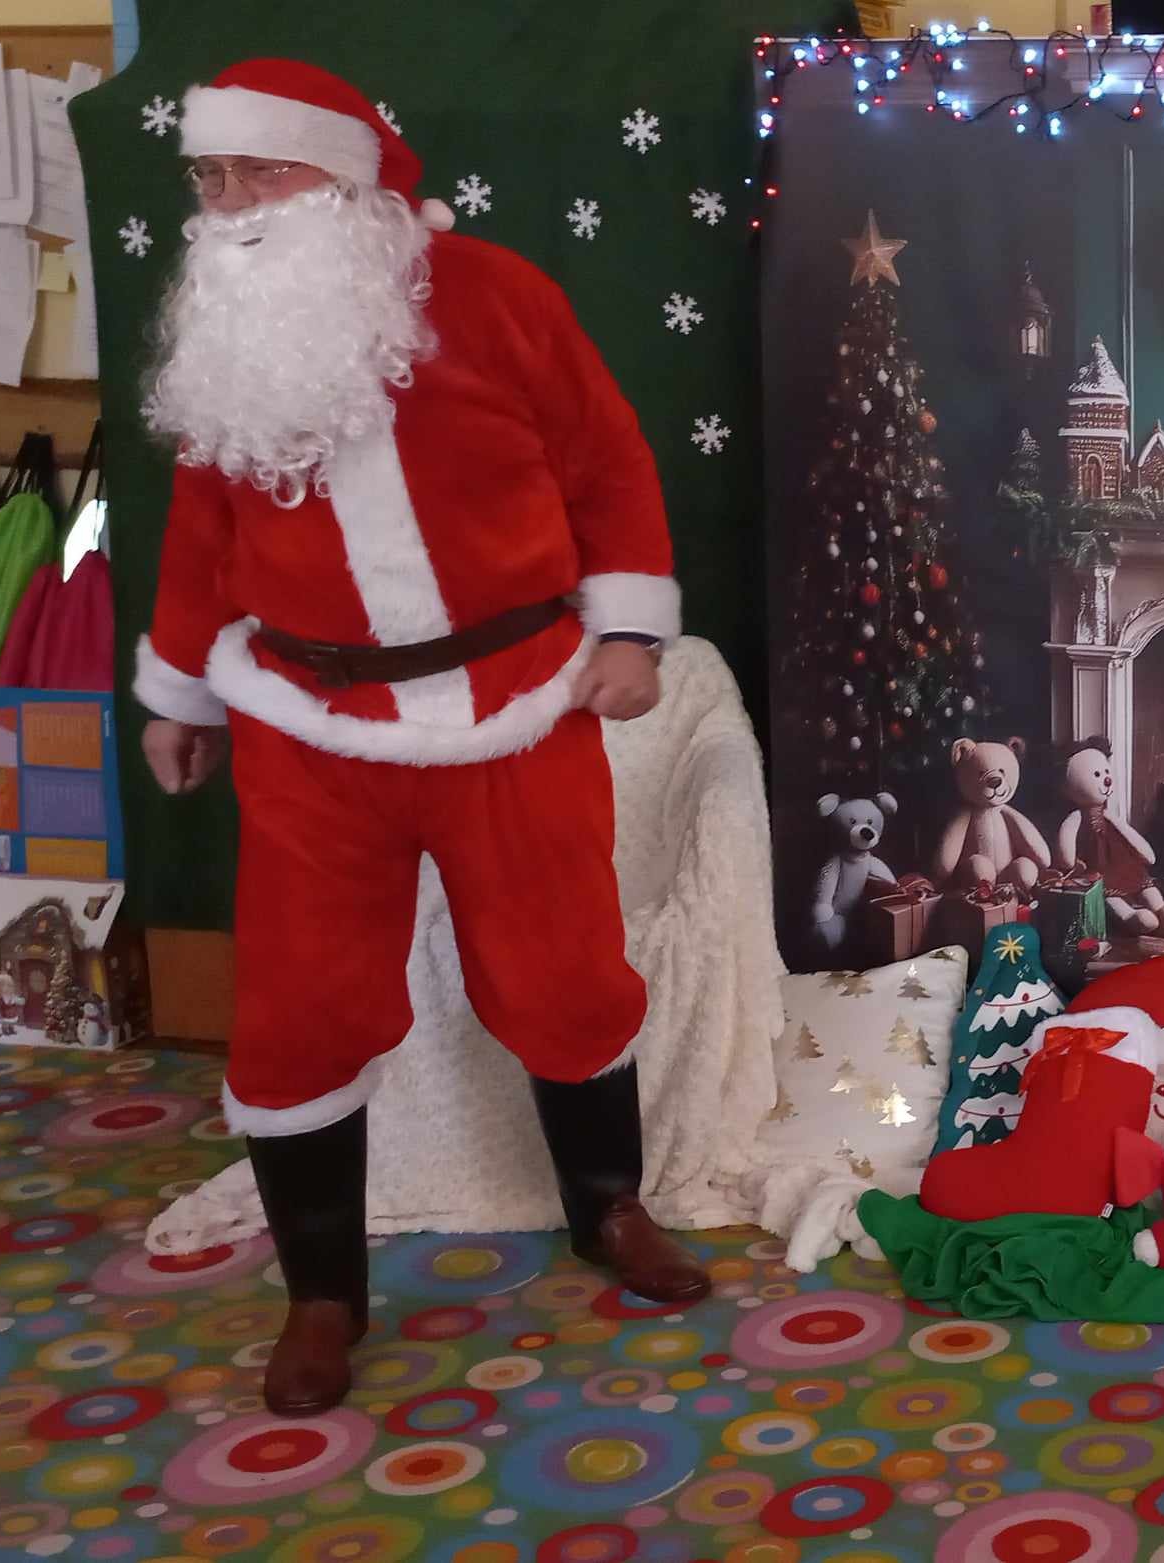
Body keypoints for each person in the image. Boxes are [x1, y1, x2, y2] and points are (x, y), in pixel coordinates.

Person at [134, 58, 709, 1417]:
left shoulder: (499, 298)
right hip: (310, 728)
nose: (230, 204)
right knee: (300, 1007)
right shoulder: (227, 335)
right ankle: (322, 1294)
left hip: (513, 705)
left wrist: (629, 632)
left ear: (342, 175)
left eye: (258, 172)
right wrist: (180, 693)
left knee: (564, 972)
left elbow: (608, 462)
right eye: (210, 178)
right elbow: (204, 530)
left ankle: (607, 1206)